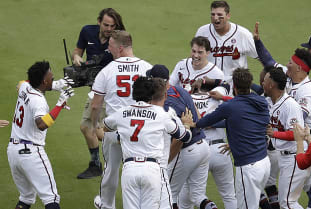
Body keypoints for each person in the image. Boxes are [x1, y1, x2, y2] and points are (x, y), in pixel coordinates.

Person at [185, 68, 270, 209]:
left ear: (234, 87)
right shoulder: (261, 102)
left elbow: (207, 120)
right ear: (250, 84)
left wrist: (195, 124)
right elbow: (240, 120)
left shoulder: (230, 106)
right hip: (264, 162)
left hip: (248, 166)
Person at [102, 77, 192, 209]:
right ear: (151, 94)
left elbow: (105, 127)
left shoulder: (122, 112)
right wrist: (187, 125)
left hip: (129, 169)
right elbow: (185, 137)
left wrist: (124, 132)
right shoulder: (161, 114)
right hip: (151, 169)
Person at [90, 30, 152, 209]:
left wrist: (95, 126)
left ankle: (107, 205)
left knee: (110, 170)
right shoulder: (147, 67)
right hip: (140, 130)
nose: (108, 49)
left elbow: (95, 105)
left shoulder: (106, 71)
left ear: (121, 48)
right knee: (138, 169)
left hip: (113, 129)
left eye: (110, 46)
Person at [146, 65, 218, 209]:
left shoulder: (165, 104)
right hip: (203, 146)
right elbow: (196, 116)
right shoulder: (178, 89)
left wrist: (165, 163)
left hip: (187, 150)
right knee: (197, 196)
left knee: (167, 195)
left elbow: (179, 138)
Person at [7, 61, 74, 209]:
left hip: (13, 151)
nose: (53, 78)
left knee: (26, 198)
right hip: (31, 153)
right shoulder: (38, 101)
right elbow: (42, 124)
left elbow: (22, 83)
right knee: (51, 197)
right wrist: (60, 104)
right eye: (51, 77)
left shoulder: (24, 86)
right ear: (43, 81)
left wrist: (55, 85)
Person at [74, 8, 126, 179]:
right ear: (99, 22)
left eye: (112, 25)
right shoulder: (87, 31)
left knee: (91, 127)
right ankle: (125, 149)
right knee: (94, 128)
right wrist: (77, 59)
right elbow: (77, 52)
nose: (109, 28)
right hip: (95, 89)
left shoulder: (117, 41)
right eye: (106, 25)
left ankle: (126, 149)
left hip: (109, 91)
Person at [263, 68, 311, 209]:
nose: (262, 83)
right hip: (286, 158)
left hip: (295, 158)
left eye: (265, 80)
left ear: (271, 85)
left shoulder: (290, 106)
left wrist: (274, 134)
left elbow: (296, 134)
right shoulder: (268, 101)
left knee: (287, 202)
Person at [187, 81, 237, 209]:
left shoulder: (187, 98)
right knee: (229, 195)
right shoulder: (218, 94)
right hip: (221, 150)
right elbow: (226, 84)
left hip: (197, 151)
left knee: (191, 197)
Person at [195, 1, 258, 92]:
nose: (215, 18)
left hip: (235, 89)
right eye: (213, 14)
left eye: (219, 15)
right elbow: (194, 58)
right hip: (207, 86)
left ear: (228, 16)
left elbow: (261, 56)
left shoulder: (243, 34)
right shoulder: (202, 32)